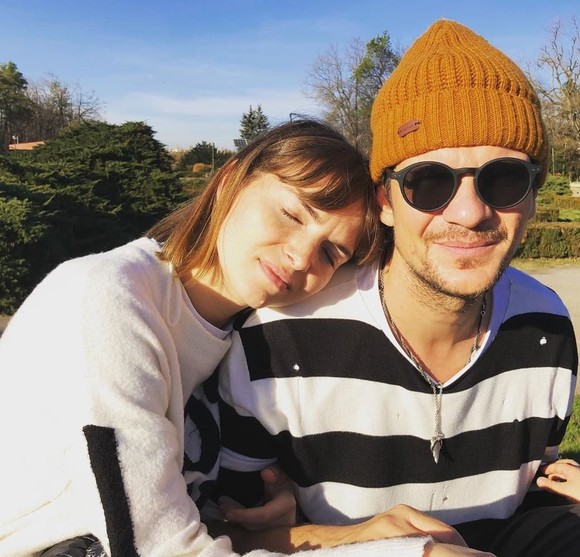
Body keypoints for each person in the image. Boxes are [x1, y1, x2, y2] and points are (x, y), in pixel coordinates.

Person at [213, 19, 579, 557]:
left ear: (531, 197)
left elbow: (528, 492)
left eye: (504, 179)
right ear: (385, 202)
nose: (470, 213)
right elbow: (223, 533)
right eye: (429, 182)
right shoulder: (276, 341)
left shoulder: (545, 327)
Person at [0, 118, 435, 557]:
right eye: (291, 214)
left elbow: (195, 527)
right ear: (231, 179)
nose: (301, 257)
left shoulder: (238, 342)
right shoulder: (108, 298)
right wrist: (409, 552)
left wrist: (302, 523)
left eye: (330, 253)